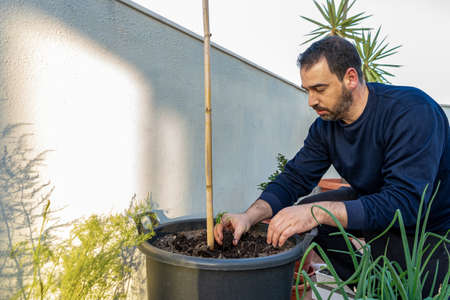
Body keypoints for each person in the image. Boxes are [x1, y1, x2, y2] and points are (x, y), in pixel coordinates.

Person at [214, 36, 449, 296]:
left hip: (431, 226)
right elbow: (294, 178)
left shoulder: (411, 112)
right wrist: (248, 216)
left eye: (319, 89)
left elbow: (405, 202)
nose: (311, 101)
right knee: (308, 215)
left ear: (350, 78)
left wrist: (320, 210)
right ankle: (366, 280)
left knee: (409, 291)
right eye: (308, 90)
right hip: (376, 203)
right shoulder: (325, 128)